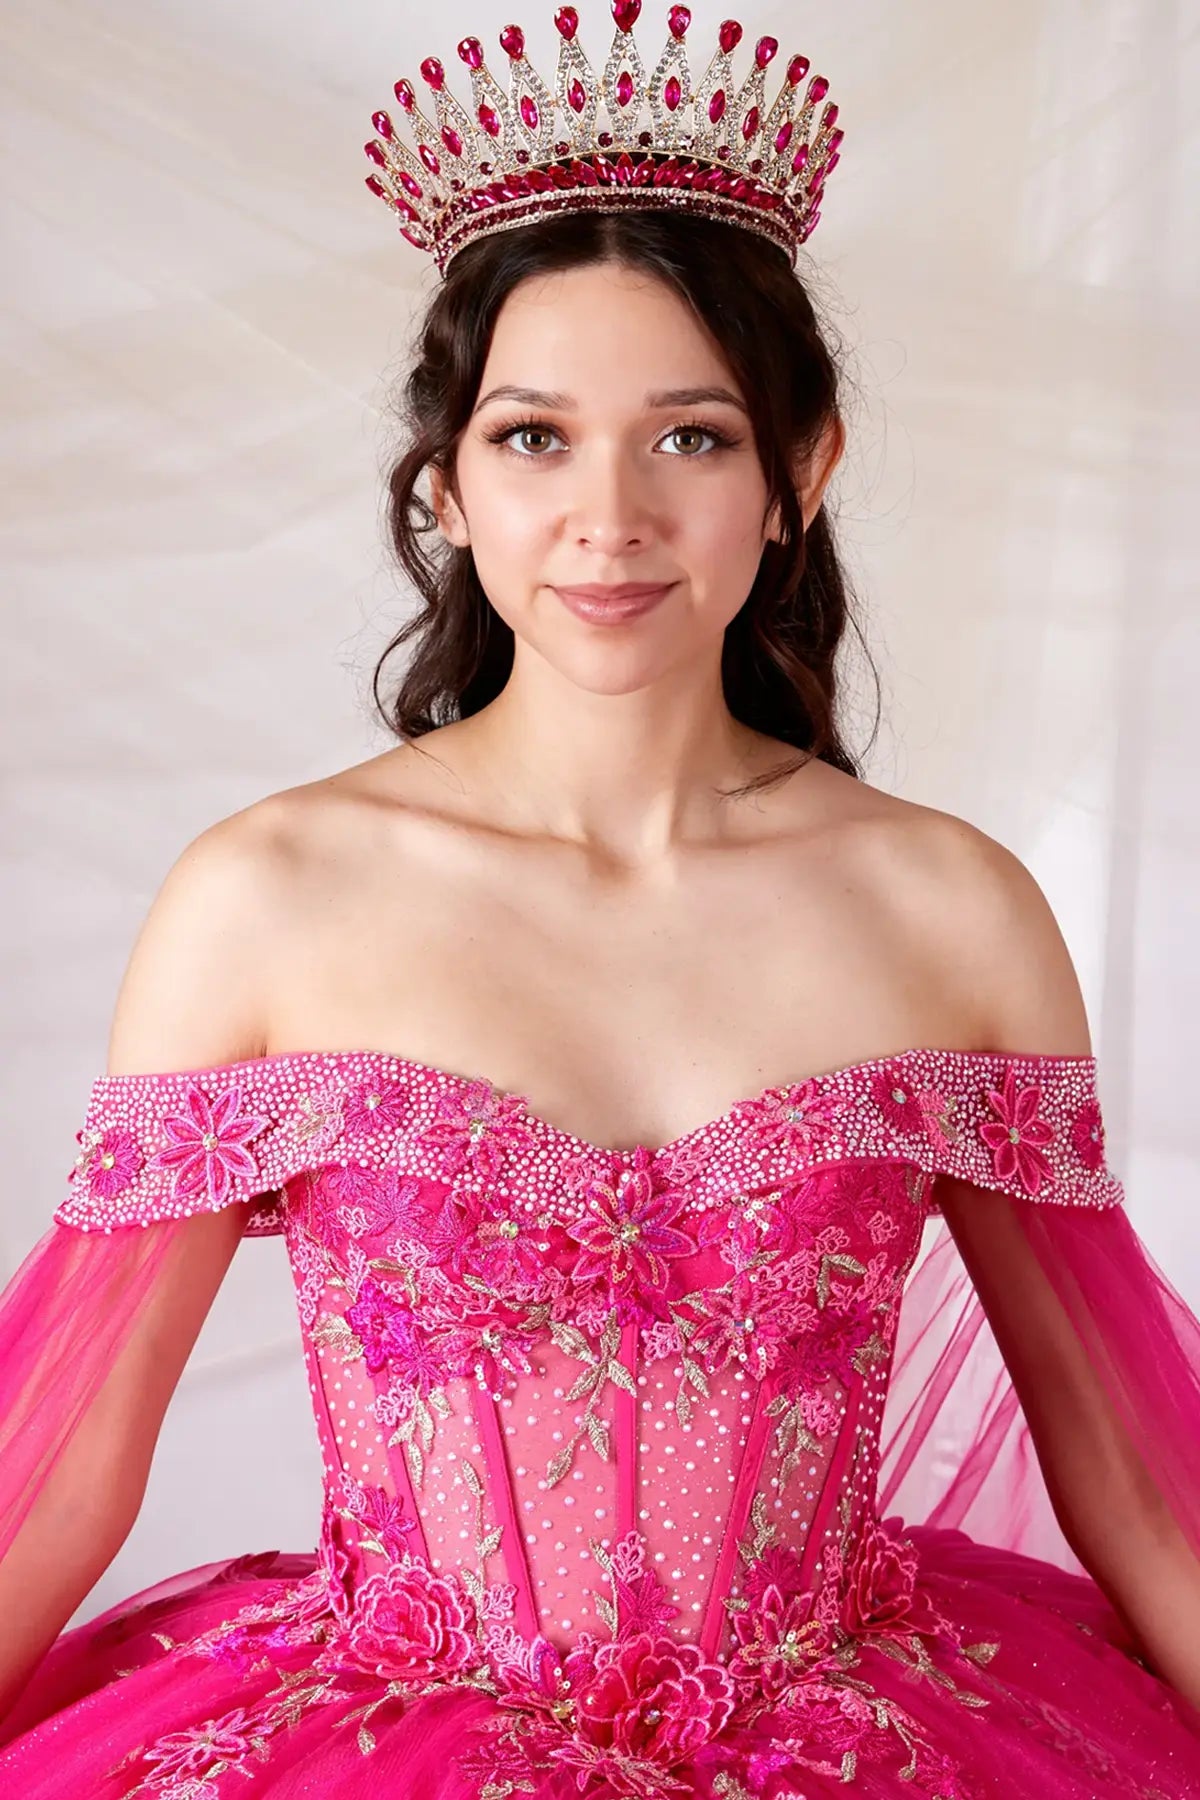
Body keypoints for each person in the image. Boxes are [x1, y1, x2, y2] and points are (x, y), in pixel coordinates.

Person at [1, 5, 1200, 1795]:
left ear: (805, 472)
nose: (610, 515)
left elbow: (1124, 1463)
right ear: (449, 481)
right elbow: (74, 1464)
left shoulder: (953, 910)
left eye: (694, 438)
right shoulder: (270, 898)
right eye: (537, 436)